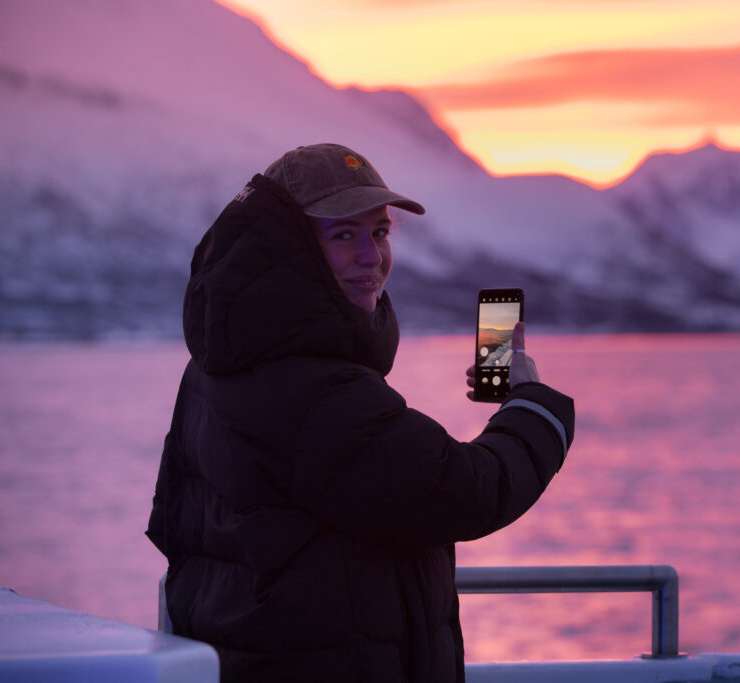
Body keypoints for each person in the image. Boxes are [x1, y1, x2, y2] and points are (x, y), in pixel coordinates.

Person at [146, 143, 575, 683]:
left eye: (379, 232)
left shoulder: (218, 361)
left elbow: (173, 522)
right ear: (289, 247)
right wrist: (535, 407)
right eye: (343, 234)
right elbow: (462, 492)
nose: (372, 257)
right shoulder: (313, 389)